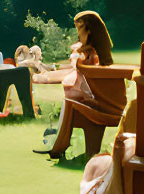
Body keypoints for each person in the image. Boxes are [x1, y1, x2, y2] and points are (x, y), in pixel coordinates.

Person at [38, 9, 125, 159]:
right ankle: (60, 147)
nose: (77, 32)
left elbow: (86, 77)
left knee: (70, 102)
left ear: (88, 30)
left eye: (79, 28)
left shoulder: (92, 54)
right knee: (71, 103)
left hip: (104, 104)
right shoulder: (92, 52)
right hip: (98, 99)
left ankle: (58, 147)